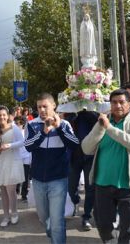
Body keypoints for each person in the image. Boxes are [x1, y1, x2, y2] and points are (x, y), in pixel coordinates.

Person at [82, 89, 130, 244]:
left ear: (129, 104)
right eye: (114, 102)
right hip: (103, 184)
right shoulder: (102, 123)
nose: (118, 105)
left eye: (121, 102)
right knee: (104, 225)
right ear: (109, 105)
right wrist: (101, 126)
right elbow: (86, 147)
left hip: (128, 185)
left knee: (129, 228)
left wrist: (109, 128)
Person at [25, 93, 79, 244]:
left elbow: (75, 144)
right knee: (44, 218)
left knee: (56, 222)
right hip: (38, 180)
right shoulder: (31, 124)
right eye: (39, 107)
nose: (42, 110)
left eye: (45, 106)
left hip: (58, 179)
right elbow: (28, 146)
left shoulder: (65, 124)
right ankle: (52, 232)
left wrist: (59, 127)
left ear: (53, 106)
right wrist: (43, 132)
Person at [0, 105, 25, 227]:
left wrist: (9, 145)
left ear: (7, 115)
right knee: (3, 191)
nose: (2, 117)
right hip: (0, 161)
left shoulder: (14, 128)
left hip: (13, 161)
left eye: (4, 115)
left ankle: (14, 213)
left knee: (11, 190)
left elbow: (22, 142)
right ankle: (5, 216)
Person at [68, 110, 98, 231]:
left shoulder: (94, 114)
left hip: (90, 156)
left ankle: (86, 216)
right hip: (74, 156)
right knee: (71, 188)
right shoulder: (71, 114)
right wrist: (74, 114)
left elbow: (98, 125)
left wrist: (88, 111)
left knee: (90, 188)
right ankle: (75, 201)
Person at [14, 116, 31, 202]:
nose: (16, 125)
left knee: (25, 176)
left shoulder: (27, 132)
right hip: (17, 157)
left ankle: (24, 195)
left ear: (23, 124)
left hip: (26, 157)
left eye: (18, 124)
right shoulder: (14, 133)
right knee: (17, 175)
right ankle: (16, 190)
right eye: (15, 123)